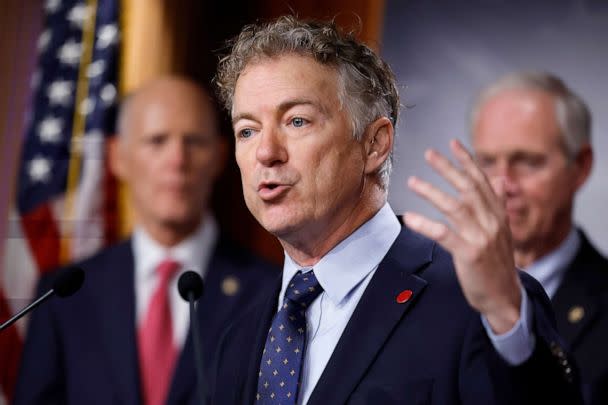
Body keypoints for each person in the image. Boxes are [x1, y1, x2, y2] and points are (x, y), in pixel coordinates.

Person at [210, 16, 583, 405]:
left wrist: (508, 324)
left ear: (374, 144)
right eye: (247, 131)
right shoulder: (238, 333)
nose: (266, 153)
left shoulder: (480, 305)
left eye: (297, 121)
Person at [14, 76, 278, 405]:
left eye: (194, 141)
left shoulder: (270, 293)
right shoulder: (64, 296)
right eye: (157, 141)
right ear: (117, 157)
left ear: (221, 156)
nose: (177, 161)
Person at [470, 71, 608, 404]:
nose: (503, 186)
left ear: (581, 166)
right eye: (487, 162)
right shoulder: (429, 291)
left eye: (528, 162)